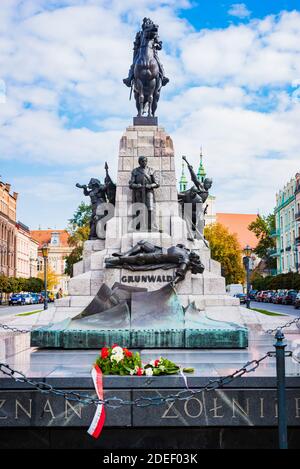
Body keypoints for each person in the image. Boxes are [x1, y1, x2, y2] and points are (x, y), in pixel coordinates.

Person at [123, 17, 169, 88]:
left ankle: (163, 77)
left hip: (152, 52)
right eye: (146, 23)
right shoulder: (140, 34)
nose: (147, 24)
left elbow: (159, 45)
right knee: (133, 64)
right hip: (140, 51)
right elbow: (136, 44)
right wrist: (136, 46)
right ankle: (129, 79)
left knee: (159, 63)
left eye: (148, 23)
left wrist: (158, 45)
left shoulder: (154, 34)